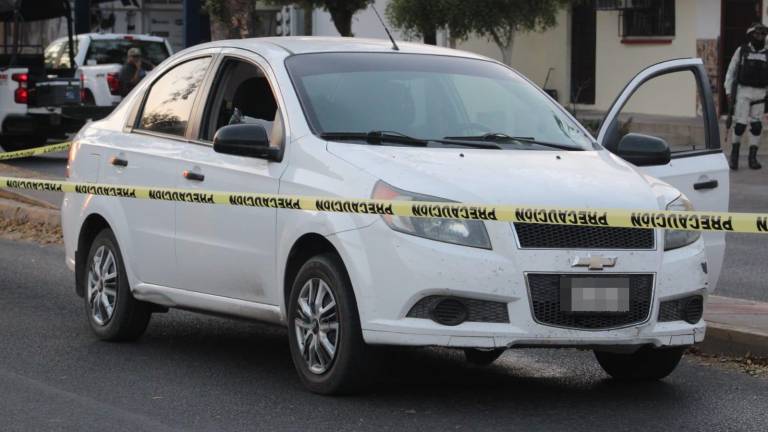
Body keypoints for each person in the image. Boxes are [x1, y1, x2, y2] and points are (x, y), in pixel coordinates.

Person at [724, 23, 768, 170]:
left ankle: (752, 158)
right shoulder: (742, 51)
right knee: (740, 126)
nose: (760, 37)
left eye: (762, 34)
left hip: (760, 93)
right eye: (757, 34)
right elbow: (731, 70)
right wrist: (728, 91)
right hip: (743, 92)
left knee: (756, 127)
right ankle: (734, 157)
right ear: (751, 35)